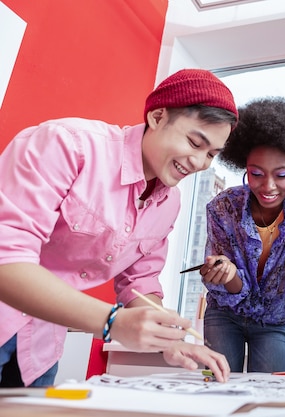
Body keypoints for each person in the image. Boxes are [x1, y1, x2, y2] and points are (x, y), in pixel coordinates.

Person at [0, 69, 238, 387]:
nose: (199, 162)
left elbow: (140, 281)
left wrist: (170, 338)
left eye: (211, 155)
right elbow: (6, 260)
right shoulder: (66, 145)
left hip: (40, 349)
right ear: (157, 116)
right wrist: (112, 321)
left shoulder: (170, 203)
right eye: (195, 142)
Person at [200, 97, 285, 377]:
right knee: (217, 391)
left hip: (274, 319)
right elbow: (234, 288)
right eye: (256, 174)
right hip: (225, 313)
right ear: (244, 168)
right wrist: (228, 274)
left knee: (271, 397)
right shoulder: (222, 208)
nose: (269, 186)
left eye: (282, 174)